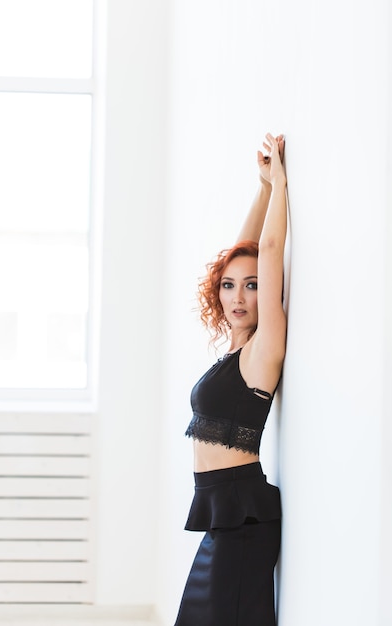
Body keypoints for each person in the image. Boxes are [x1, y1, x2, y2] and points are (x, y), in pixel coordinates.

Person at [174, 133, 288, 626]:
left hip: (243, 521)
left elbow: (267, 247)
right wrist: (261, 188)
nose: (238, 296)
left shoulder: (264, 350)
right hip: (224, 520)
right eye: (228, 285)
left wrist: (281, 182)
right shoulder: (236, 351)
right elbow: (244, 250)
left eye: (253, 286)